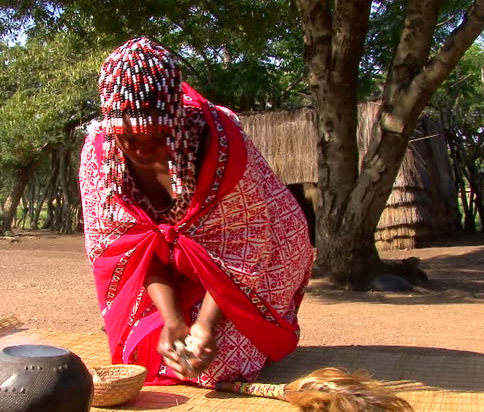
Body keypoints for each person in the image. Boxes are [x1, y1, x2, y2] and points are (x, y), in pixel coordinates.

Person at [79, 37, 313, 388]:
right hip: (176, 262)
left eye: (155, 136)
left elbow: (241, 247)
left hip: (263, 249)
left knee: (220, 366)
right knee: (144, 356)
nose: (141, 150)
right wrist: (172, 319)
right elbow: (131, 249)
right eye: (128, 138)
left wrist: (206, 325)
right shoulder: (102, 156)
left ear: (174, 119)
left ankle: (239, 328)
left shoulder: (218, 143)